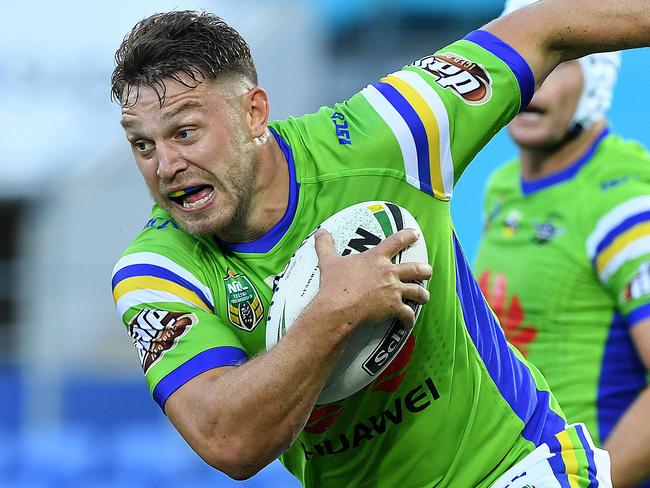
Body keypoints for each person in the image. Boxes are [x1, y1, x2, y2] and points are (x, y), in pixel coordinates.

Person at [110, 3, 649, 486]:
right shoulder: (154, 271)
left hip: (513, 466)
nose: (166, 167)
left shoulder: (392, 132)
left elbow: (544, 26)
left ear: (254, 112)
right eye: (142, 145)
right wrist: (333, 315)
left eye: (185, 132)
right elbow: (229, 443)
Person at [474, 1, 650, 487]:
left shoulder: (626, 200)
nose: (535, 78)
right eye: (521, 52)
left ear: (599, 77)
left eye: (559, 58)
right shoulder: (501, 188)